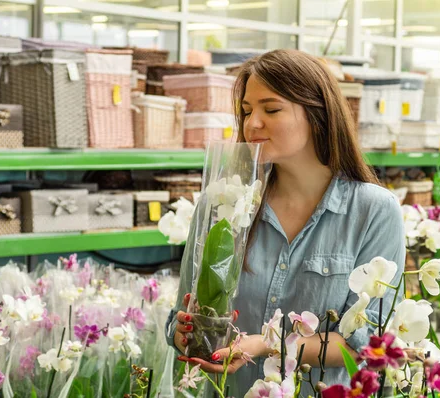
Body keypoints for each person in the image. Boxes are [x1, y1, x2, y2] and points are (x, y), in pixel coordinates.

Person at [166, 49, 405, 397]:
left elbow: (364, 344)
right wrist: (184, 332)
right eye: (247, 111)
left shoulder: (373, 212)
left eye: (271, 109)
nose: (252, 123)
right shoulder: (222, 205)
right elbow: (178, 317)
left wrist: (266, 344)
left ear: (316, 114)